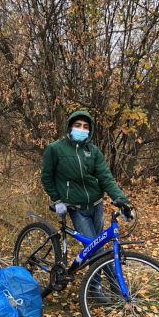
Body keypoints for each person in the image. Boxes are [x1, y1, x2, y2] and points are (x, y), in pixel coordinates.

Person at [41, 109, 133, 299]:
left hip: (96, 205)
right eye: (78, 125)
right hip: (76, 208)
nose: (81, 129)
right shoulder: (55, 149)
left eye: (85, 126)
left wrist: (122, 201)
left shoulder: (93, 151)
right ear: (70, 126)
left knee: (98, 247)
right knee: (96, 249)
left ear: (89, 131)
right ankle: (95, 289)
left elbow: (106, 178)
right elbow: (47, 177)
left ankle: (114, 286)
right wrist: (57, 199)